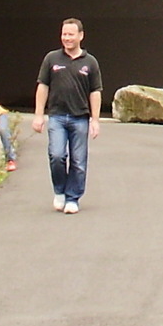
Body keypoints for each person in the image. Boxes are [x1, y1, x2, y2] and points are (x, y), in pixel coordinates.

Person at [32, 18, 102, 213]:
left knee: (78, 161)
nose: (67, 38)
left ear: (80, 35)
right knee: (56, 155)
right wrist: (39, 115)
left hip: (80, 118)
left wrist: (95, 120)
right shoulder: (51, 59)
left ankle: (73, 198)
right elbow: (43, 86)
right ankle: (59, 191)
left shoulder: (90, 62)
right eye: (64, 34)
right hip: (56, 116)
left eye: (71, 34)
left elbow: (95, 92)